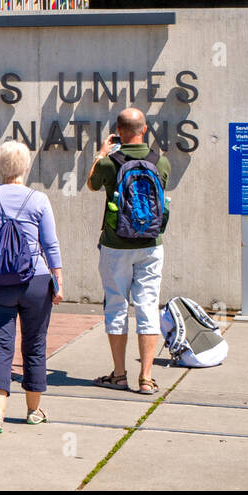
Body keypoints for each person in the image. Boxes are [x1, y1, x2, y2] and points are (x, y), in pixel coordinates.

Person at [0, 140, 63, 433]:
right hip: (36, 281)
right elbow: (50, 244)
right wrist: (58, 280)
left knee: (0, 346)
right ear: (26, 167)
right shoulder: (39, 199)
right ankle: (33, 411)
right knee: (35, 344)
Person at [86, 107, 170, 396]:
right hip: (150, 245)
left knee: (116, 306)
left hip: (115, 245)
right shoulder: (161, 162)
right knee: (148, 306)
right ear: (144, 130)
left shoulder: (110, 162)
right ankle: (146, 377)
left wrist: (100, 153)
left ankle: (119, 374)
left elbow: (91, 184)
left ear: (118, 131)